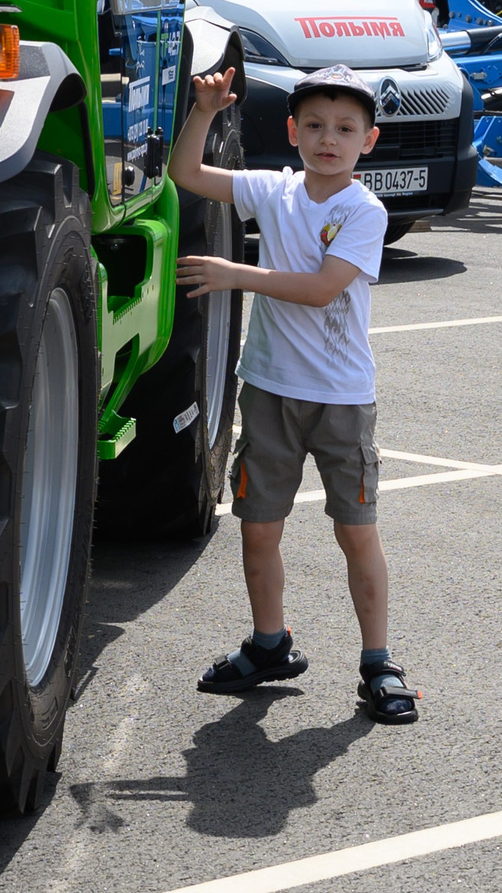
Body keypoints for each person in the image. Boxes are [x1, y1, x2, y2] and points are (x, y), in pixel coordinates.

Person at [167, 60, 419, 726]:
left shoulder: (363, 209)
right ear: (292, 129)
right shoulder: (275, 192)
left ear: (368, 139)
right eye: (313, 125)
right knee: (258, 529)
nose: (327, 138)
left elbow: (319, 288)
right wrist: (204, 112)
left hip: (339, 399)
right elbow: (187, 174)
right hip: (270, 393)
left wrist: (234, 272)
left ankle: (378, 662)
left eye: (344, 127)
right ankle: (269, 644)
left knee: (355, 532)